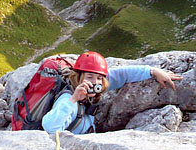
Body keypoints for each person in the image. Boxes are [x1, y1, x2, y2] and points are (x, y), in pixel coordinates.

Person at [42, 51, 182, 135]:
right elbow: (50, 127)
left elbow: (124, 74)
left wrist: (152, 71)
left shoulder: (98, 83)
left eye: (99, 78)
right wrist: (73, 99)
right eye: (89, 77)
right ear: (78, 76)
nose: (95, 82)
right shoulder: (68, 98)